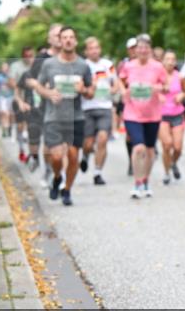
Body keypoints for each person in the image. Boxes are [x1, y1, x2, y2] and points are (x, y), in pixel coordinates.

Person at [33, 26, 94, 206]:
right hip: (53, 117)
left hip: (76, 118)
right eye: (64, 37)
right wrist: (49, 93)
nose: (68, 40)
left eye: (71, 37)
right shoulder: (49, 64)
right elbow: (38, 85)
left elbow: (91, 91)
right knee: (58, 157)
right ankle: (57, 176)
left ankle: (67, 190)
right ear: (60, 41)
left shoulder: (83, 65)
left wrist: (83, 90)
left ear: (75, 41)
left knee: (74, 156)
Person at [119, 34, 168, 198]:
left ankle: (146, 179)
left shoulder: (158, 67)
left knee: (149, 149)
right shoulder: (129, 66)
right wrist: (123, 92)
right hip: (132, 113)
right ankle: (137, 182)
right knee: (138, 147)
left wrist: (158, 89)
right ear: (135, 50)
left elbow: (166, 85)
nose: (143, 50)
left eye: (146, 47)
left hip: (152, 114)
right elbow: (121, 81)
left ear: (150, 49)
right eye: (139, 47)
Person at [24, 24, 63, 182]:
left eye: (62, 34)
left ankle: (60, 175)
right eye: (56, 35)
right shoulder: (42, 58)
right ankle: (47, 169)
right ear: (49, 39)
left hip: (66, 106)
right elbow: (29, 80)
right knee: (49, 141)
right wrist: (44, 87)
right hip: (45, 106)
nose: (60, 38)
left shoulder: (70, 57)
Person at [81, 37, 121, 186]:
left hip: (104, 107)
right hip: (87, 108)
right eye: (91, 48)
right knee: (88, 143)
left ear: (100, 49)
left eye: (96, 47)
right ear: (86, 51)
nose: (94, 51)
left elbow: (116, 84)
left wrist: (111, 90)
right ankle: (85, 155)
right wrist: (87, 90)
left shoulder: (108, 65)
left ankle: (97, 172)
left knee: (103, 139)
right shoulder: (83, 66)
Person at [158, 50, 185, 185]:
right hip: (162, 115)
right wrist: (158, 95)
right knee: (167, 144)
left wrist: (182, 95)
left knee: (178, 147)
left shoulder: (180, 77)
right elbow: (151, 91)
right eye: (167, 59)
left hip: (177, 114)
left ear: (175, 62)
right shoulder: (158, 77)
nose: (170, 62)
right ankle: (166, 173)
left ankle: (173, 162)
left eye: (172, 59)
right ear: (163, 61)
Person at [8, 48, 35, 162]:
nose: (29, 57)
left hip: (33, 99)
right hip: (18, 98)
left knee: (31, 126)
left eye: (31, 55)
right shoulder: (16, 66)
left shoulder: (36, 65)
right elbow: (11, 81)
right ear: (23, 56)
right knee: (20, 125)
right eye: (26, 55)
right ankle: (21, 149)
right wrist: (19, 89)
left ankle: (32, 152)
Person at [118, 37, 139, 176]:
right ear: (128, 50)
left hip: (145, 103)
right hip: (129, 103)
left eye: (136, 47)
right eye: (132, 48)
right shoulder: (123, 64)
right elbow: (119, 81)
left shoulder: (146, 63)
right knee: (129, 135)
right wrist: (124, 92)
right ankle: (131, 162)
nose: (134, 50)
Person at [0, 62, 15, 137]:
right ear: (1, 69)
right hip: (2, 97)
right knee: (3, 113)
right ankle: (4, 130)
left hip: (10, 96)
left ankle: (10, 127)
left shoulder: (11, 76)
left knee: (11, 114)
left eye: (6, 68)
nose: (4, 69)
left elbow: (14, 85)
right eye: (3, 68)